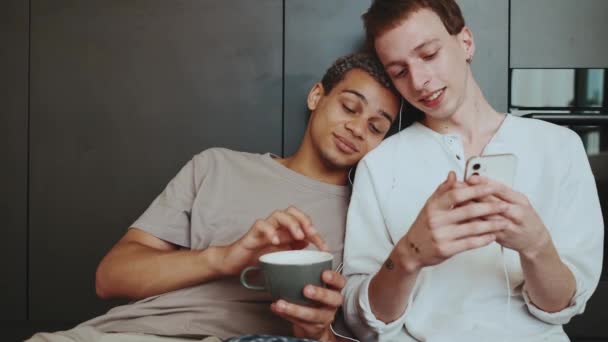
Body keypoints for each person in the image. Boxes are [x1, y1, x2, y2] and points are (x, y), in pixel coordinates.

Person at [28, 52, 401, 342]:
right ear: (317, 95)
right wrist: (224, 258)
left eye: (375, 127)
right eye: (349, 107)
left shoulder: (367, 215)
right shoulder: (216, 166)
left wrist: (319, 333)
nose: (356, 127)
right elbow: (110, 278)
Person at [341, 1, 604, 341]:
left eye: (429, 54)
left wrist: (535, 245)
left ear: (465, 42)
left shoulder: (560, 148)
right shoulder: (379, 165)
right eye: (399, 72)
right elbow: (362, 322)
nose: (420, 81)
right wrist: (409, 254)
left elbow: (563, 305)